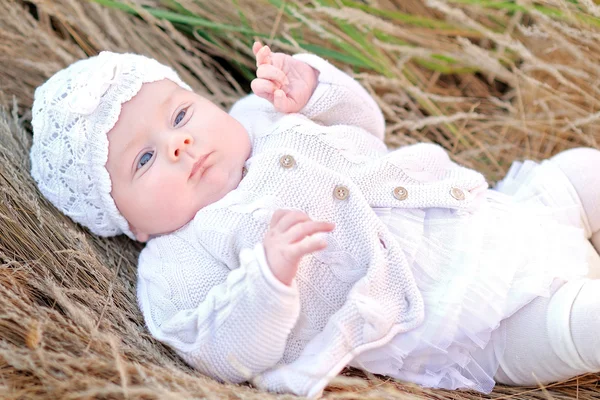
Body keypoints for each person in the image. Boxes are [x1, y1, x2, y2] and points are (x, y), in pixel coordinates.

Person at [29, 42, 600, 398]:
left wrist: (315, 89)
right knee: (577, 327)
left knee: (581, 173)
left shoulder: (258, 115)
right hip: (453, 318)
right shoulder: (174, 264)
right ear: (131, 224)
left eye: (180, 114)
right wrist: (268, 282)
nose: (178, 143)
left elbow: (365, 130)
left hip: (486, 210)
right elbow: (223, 352)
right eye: (145, 160)